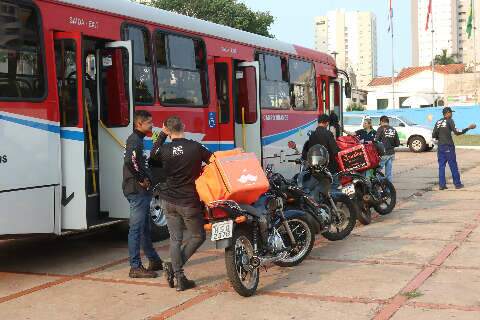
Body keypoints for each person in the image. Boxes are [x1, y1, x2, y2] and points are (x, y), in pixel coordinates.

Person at [150, 116, 212, 291]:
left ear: (168, 130)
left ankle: (179, 276)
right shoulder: (195, 147)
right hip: (189, 201)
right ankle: (175, 269)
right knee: (198, 236)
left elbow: (152, 157)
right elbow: (213, 161)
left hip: (168, 200)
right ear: (183, 126)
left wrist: (161, 135)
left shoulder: (164, 150)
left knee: (175, 240)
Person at [122, 110, 163, 278]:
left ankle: (154, 260)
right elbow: (130, 161)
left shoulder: (138, 140)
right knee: (136, 229)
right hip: (137, 191)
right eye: (148, 123)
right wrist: (141, 178)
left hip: (142, 192)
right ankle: (135, 267)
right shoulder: (134, 141)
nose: (151, 125)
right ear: (139, 124)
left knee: (145, 228)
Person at [432, 107, 476, 190]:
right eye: (451, 113)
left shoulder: (438, 122)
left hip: (440, 147)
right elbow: (457, 132)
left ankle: (442, 185)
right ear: (447, 113)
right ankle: (457, 184)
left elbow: (434, 135)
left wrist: (441, 139)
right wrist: (468, 128)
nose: (452, 114)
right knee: (453, 165)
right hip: (448, 146)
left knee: (441, 166)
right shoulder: (450, 120)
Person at [375, 115, 400, 182]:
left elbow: (376, 141)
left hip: (384, 154)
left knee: (376, 171)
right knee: (388, 173)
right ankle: (388, 190)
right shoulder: (393, 129)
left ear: (381, 121)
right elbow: (397, 143)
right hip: (391, 153)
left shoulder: (381, 128)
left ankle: (379, 184)